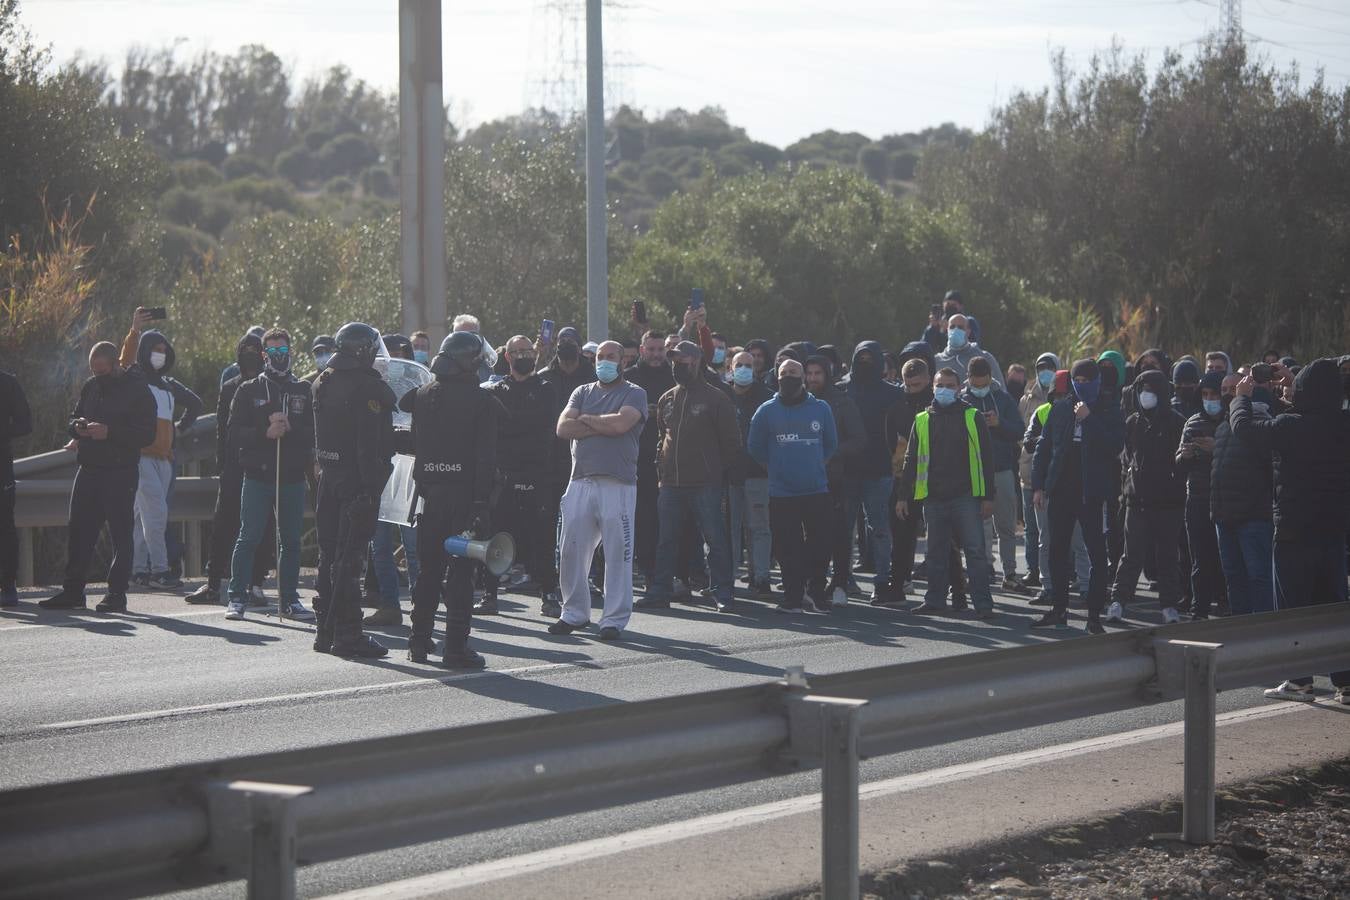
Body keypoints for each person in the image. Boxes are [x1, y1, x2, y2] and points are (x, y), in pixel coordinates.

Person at [1229, 359, 1350, 705]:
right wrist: (1296, 384)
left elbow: (1246, 430)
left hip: (1295, 531)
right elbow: (1316, 410)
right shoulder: (1342, 424)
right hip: (1332, 531)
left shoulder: (1290, 427)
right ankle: (1345, 682)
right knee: (1332, 609)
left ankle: (1299, 681)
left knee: (1293, 607)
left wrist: (1241, 397)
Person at [400, 332, 499, 668]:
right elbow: (486, 458)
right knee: (461, 572)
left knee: (429, 571)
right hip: (465, 501)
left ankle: (418, 641)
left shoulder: (423, 394)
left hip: (430, 498)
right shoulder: (482, 401)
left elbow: (411, 433)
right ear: (468, 360)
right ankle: (455, 647)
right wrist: (481, 503)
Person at [40, 343, 156, 611]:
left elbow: (148, 434)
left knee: (120, 534)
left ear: (116, 364)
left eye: (103, 370)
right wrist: (77, 427)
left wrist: (110, 432)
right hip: (89, 469)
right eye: (94, 370)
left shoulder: (137, 389)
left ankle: (116, 594)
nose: (98, 374)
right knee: (79, 531)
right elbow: (73, 416)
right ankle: (73, 592)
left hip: (120, 472)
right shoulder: (91, 386)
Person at [549, 340, 647, 640]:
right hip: (580, 481)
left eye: (611, 357)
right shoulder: (581, 392)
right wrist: (602, 424)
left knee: (618, 553)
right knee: (571, 550)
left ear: (622, 361)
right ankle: (574, 613)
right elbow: (564, 428)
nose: (604, 362)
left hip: (617, 483)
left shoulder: (634, 393)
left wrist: (588, 421)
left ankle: (613, 620)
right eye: (600, 357)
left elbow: (621, 424)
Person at [312, 322, 397, 659]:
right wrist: (371, 487)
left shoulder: (322, 381)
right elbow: (368, 444)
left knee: (329, 555)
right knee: (351, 559)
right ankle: (348, 634)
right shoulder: (366, 386)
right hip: (357, 485)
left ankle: (325, 630)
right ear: (363, 350)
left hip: (328, 481)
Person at [637, 341, 741, 612]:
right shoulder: (667, 398)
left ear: (696, 362)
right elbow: (662, 435)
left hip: (705, 483)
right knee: (666, 539)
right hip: (671, 483)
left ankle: (723, 591)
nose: (676, 365)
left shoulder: (717, 398)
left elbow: (732, 442)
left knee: (715, 538)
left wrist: (717, 473)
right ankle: (660, 589)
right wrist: (662, 467)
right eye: (674, 360)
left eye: (682, 360)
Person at [223, 328, 315, 621]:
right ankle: (238, 596)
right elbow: (233, 433)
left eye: (283, 352)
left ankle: (289, 599)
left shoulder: (302, 389)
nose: (279, 357)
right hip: (258, 476)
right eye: (273, 353)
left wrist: (291, 429)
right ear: (264, 356)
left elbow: (313, 433)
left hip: (291, 477)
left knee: (290, 541)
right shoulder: (248, 389)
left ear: (291, 352)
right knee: (248, 536)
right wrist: (265, 431)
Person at [1030, 359, 1125, 633]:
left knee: (1096, 553)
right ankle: (1059, 609)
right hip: (1061, 490)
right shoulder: (1060, 409)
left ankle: (1094, 615)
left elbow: (1114, 446)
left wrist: (1089, 419)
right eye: (1077, 380)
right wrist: (1039, 485)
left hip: (1092, 493)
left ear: (1096, 381)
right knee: (1057, 551)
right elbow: (1044, 448)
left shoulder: (1109, 409)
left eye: (1087, 380)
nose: (1081, 385)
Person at [896, 367, 998, 619]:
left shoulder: (972, 416)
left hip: (966, 496)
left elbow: (986, 458)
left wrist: (988, 497)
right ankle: (935, 601)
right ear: (933, 386)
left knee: (974, 551)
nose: (944, 389)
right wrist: (902, 495)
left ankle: (983, 604)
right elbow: (910, 459)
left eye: (950, 385)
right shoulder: (922, 419)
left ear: (959, 388)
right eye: (940, 384)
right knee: (935, 552)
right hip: (934, 497)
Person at [185, 334, 273, 606]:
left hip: (262, 467)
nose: (250, 355)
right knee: (223, 526)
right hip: (234, 468)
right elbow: (223, 432)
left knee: (264, 527)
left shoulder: (270, 387)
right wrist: (223, 467)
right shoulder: (230, 387)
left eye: (254, 350)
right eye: (245, 350)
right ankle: (213, 585)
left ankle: (256, 585)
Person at [118, 311, 202, 590]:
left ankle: (138, 569)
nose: (160, 355)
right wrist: (135, 331)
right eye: (155, 350)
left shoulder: (168, 385)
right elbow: (125, 361)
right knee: (156, 513)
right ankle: (161, 570)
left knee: (143, 515)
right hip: (141, 456)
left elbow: (195, 403)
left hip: (164, 459)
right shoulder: (136, 377)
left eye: (164, 351)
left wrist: (179, 428)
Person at [747, 358, 837, 614]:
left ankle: (817, 592)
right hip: (782, 493)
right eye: (784, 373)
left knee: (821, 545)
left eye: (794, 373)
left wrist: (817, 464)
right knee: (787, 548)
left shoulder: (821, 409)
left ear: (804, 378)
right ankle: (793, 595)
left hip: (816, 489)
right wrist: (774, 468)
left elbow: (831, 443)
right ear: (777, 376)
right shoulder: (766, 411)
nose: (789, 377)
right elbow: (754, 447)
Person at [481, 335, 559, 617]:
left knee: (541, 537)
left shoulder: (546, 389)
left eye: (528, 350)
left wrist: (513, 427)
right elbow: (495, 428)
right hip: (504, 478)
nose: (523, 355)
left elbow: (540, 426)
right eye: (517, 352)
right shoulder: (497, 389)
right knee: (498, 535)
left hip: (537, 475)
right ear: (508, 357)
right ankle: (490, 593)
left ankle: (549, 593)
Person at [1107, 369, 1187, 624]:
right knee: (1131, 556)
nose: (1146, 396)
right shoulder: (1132, 423)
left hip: (1168, 503)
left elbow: (1182, 462)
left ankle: (1169, 606)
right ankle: (1118, 602)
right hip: (1136, 501)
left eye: (1151, 391)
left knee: (1167, 557)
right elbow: (1126, 460)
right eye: (1142, 390)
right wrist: (1125, 494)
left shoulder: (1177, 422)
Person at [842, 341, 901, 601]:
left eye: (870, 358)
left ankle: (882, 581)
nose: (865, 362)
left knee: (878, 528)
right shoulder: (842, 389)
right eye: (860, 357)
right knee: (844, 529)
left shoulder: (893, 394)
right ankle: (844, 579)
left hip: (879, 469)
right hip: (847, 470)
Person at [1210, 375, 1274, 615]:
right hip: (1225, 519)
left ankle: (1264, 632)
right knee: (1234, 578)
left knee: (1258, 577)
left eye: (1233, 389)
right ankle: (1241, 632)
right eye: (1224, 389)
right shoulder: (1222, 426)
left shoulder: (1258, 423)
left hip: (1253, 518)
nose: (1227, 393)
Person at [805, 355, 865, 607]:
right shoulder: (801, 402)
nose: (812, 378)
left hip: (837, 479)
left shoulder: (842, 403)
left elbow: (859, 439)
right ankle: (813, 584)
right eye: (809, 373)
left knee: (840, 535)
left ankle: (840, 583)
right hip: (806, 481)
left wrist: (831, 452)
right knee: (812, 536)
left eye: (818, 373)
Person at [882, 357, 941, 607]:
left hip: (938, 483)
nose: (912, 388)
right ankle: (898, 585)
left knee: (942, 540)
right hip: (904, 482)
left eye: (917, 384)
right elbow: (889, 447)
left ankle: (949, 591)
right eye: (908, 384)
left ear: (928, 380)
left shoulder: (940, 407)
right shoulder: (896, 409)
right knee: (902, 537)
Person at [962, 356, 1024, 590]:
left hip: (1002, 470)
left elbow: (1019, 430)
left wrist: (999, 424)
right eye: (975, 384)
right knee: (979, 525)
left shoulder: (1003, 399)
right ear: (968, 379)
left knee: (1006, 525)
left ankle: (1010, 573)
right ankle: (983, 570)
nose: (979, 388)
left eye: (983, 383)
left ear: (990, 378)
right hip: (972, 474)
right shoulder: (962, 400)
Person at [625, 330, 675, 588]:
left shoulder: (674, 375)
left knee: (670, 518)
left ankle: (673, 571)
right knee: (643, 518)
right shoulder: (630, 378)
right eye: (652, 350)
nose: (656, 355)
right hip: (638, 457)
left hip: (671, 458)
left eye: (660, 350)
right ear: (642, 350)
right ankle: (648, 570)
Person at [1175, 371, 1224, 620]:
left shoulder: (1232, 422)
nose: (1209, 400)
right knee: (1199, 559)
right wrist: (1185, 455)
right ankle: (1199, 609)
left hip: (1226, 499)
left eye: (1214, 395)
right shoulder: (1192, 422)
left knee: (1224, 559)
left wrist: (1218, 448)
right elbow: (1177, 464)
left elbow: (1242, 459)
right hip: (1197, 498)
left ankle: (1227, 606)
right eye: (1205, 395)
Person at [726, 350, 774, 598]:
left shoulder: (767, 398)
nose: (744, 369)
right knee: (730, 530)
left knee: (759, 528)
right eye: (739, 365)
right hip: (728, 475)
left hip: (758, 474)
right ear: (730, 368)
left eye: (749, 365)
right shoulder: (722, 395)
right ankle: (728, 580)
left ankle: (761, 577)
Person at [1017, 353, 1061, 589]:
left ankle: (1063, 571)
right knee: (1032, 530)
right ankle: (1033, 570)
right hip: (1029, 472)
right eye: (1040, 367)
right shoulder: (1026, 400)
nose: (1044, 371)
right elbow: (1023, 435)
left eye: (1049, 367)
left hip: (1056, 474)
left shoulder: (1065, 397)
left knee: (1058, 529)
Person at [0, 365, 32, 606]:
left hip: (1, 467)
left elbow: (25, 423)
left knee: (4, 525)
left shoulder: (8, 383)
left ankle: (8, 584)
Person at [933, 313, 1003, 389]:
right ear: (947, 330)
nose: (956, 330)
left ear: (968, 332)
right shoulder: (936, 361)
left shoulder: (985, 358)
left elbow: (1001, 391)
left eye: (960, 327)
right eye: (952, 327)